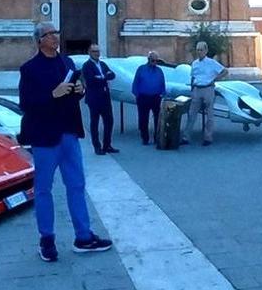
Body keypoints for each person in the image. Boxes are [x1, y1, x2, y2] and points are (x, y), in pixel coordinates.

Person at [18, 22, 112, 262]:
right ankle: (47, 240)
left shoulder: (68, 63)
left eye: (57, 33)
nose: (55, 37)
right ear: (39, 40)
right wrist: (52, 94)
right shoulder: (29, 69)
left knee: (77, 185)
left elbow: (74, 93)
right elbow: (26, 104)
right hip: (45, 137)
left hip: (69, 132)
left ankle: (83, 237)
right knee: (43, 190)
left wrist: (79, 90)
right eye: (49, 34)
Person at [185, 41, 227, 146]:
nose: (199, 52)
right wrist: (192, 89)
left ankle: (208, 137)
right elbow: (193, 77)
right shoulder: (194, 63)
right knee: (191, 114)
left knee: (209, 114)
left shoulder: (212, 62)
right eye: (198, 50)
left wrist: (215, 79)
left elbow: (225, 71)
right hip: (197, 89)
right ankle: (186, 137)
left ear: (206, 51)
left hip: (208, 88)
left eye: (201, 50)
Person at [81, 44, 118, 155]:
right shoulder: (87, 66)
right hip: (94, 98)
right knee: (95, 123)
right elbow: (91, 80)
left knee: (109, 121)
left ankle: (107, 145)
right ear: (89, 52)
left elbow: (112, 75)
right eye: (94, 51)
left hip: (105, 97)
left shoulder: (103, 64)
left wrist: (102, 77)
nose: (97, 53)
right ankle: (97, 146)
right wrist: (103, 77)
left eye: (98, 51)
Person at [132, 51, 166, 146]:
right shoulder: (141, 69)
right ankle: (145, 138)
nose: (154, 62)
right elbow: (135, 83)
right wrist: (137, 94)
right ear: (148, 60)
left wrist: (162, 94)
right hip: (143, 97)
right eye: (153, 60)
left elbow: (162, 83)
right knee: (143, 118)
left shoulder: (159, 71)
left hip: (155, 97)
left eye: (156, 61)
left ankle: (157, 137)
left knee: (157, 118)